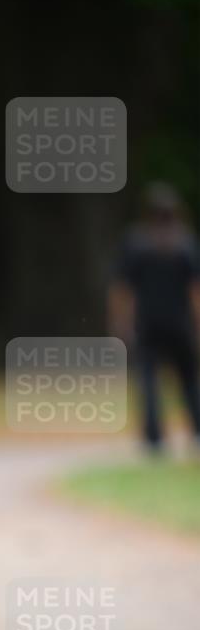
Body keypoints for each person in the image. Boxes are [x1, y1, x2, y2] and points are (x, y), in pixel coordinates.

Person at [108, 181, 200, 452]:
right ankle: (197, 430)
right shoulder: (184, 243)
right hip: (179, 324)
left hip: (147, 324)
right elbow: (195, 289)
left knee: (148, 382)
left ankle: (153, 439)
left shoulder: (137, 242)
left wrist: (119, 320)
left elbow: (122, 287)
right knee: (189, 380)